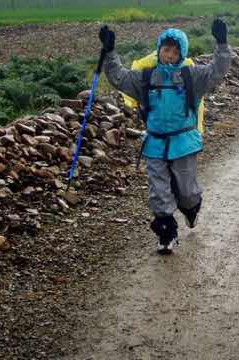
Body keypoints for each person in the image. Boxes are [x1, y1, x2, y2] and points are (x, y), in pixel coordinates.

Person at [98, 19, 231, 254]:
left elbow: (217, 72)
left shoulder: (193, 76)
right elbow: (118, 77)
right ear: (159, 50)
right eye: (166, 49)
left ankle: (191, 211)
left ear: (183, 53)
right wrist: (109, 52)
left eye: (175, 50)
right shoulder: (146, 78)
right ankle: (166, 234)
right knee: (159, 192)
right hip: (155, 144)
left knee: (188, 194)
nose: (170, 54)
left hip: (184, 144)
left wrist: (221, 44)